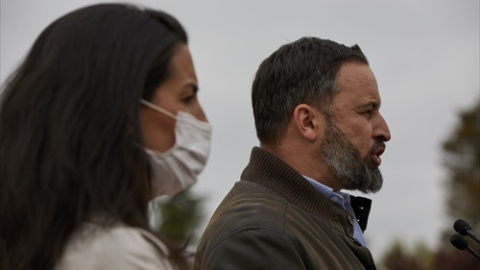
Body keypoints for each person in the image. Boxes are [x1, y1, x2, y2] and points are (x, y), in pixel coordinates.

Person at [0, 3, 211, 270]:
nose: (202, 119)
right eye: (187, 97)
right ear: (123, 111)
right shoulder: (118, 255)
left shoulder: (39, 238)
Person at [194, 37, 391, 270]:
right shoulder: (259, 238)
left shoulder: (303, 223)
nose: (385, 131)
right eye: (367, 112)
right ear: (308, 122)